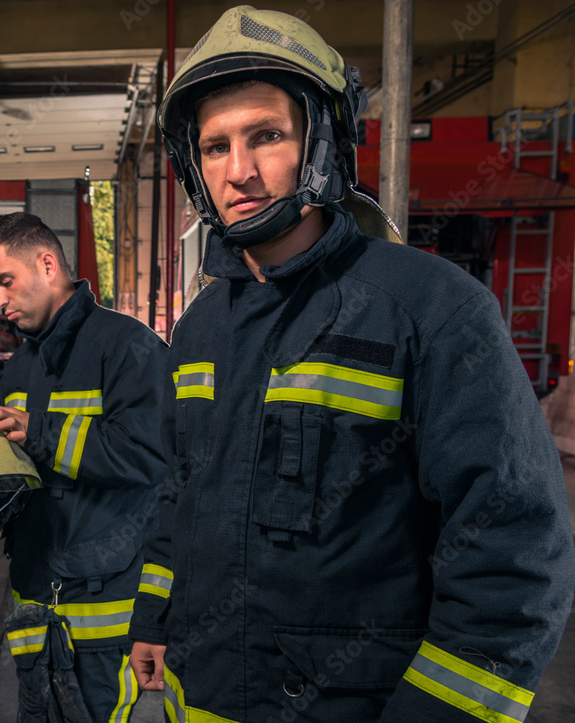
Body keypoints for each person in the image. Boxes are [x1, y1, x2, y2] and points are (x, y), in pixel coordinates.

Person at [126, 6, 575, 723]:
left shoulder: (430, 308)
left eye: (266, 136)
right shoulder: (201, 325)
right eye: (215, 147)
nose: (238, 170)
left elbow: (512, 555)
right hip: (201, 692)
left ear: (323, 140)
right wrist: (155, 610)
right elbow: (178, 489)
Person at [0, 212, 168, 721]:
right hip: (34, 596)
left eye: (5, 281)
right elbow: (17, 463)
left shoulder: (129, 346)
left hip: (104, 607)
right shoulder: (21, 365)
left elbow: (147, 456)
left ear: (48, 263)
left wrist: (38, 430)